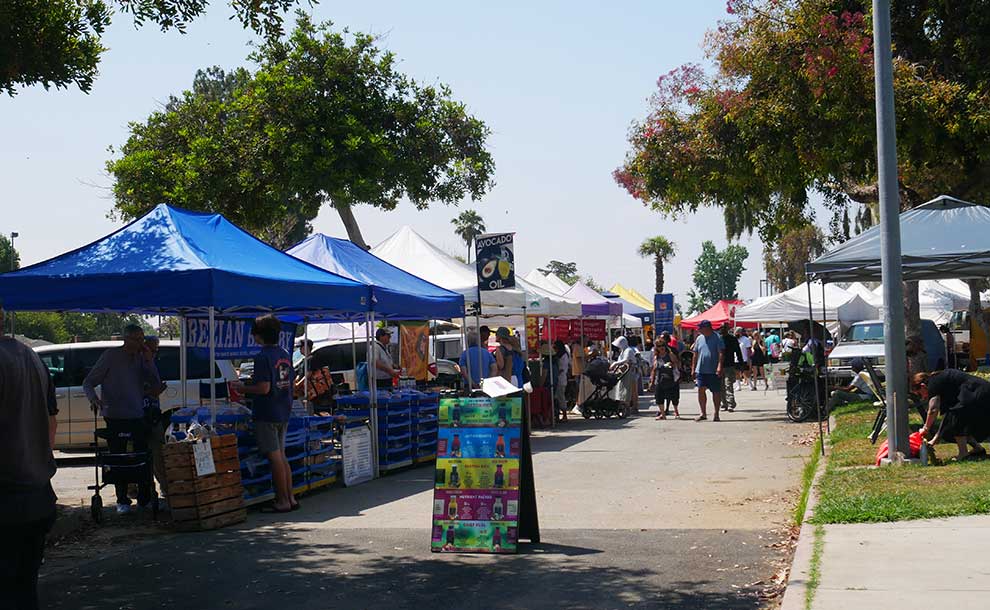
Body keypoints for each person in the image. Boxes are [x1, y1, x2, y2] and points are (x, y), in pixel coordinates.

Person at [0, 304, 58, 610]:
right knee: (24, 590)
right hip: (36, 495)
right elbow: (52, 421)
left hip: (8, 498)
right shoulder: (32, 357)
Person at [83, 323, 160, 514]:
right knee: (118, 457)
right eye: (137, 339)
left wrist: (150, 361)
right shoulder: (111, 356)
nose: (140, 343)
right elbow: (88, 382)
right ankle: (122, 498)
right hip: (115, 415)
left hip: (137, 415)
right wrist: (94, 399)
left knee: (142, 457)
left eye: (142, 339)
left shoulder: (142, 358)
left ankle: (144, 497)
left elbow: (155, 383)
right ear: (126, 339)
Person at [231, 314, 297, 513]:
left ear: (258, 335)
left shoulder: (262, 357)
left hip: (267, 412)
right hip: (283, 409)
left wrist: (241, 389)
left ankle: (282, 501)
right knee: (282, 456)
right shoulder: (284, 353)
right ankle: (291, 498)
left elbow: (264, 388)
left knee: (275, 457)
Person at [913, 369, 990, 460]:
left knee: (956, 419)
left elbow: (933, 409)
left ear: (922, 386)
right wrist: (935, 438)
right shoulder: (942, 384)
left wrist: (926, 428)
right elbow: (947, 417)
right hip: (980, 393)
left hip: (978, 392)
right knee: (951, 425)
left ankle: (963, 453)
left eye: (919, 394)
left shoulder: (933, 383)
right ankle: (978, 448)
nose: (922, 398)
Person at [142, 336, 169, 507]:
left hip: (153, 415)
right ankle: (139, 492)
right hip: (137, 416)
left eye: (156, 349)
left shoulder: (152, 364)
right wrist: (152, 391)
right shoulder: (135, 365)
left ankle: (165, 488)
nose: (155, 352)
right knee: (141, 456)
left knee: (158, 454)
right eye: (152, 349)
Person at [690, 320, 724, 421]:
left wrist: (719, 366)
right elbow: (695, 354)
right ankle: (703, 413)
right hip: (701, 369)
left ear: (707, 327)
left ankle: (716, 413)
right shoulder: (699, 338)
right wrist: (693, 369)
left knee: (716, 392)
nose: (699, 330)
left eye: (700, 328)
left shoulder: (717, 337)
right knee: (701, 390)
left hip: (713, 370)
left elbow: (721, 353)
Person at [651, 342, 681, 419]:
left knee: (674, 397)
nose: (661, 347)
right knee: (659, 397)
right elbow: (654, 369)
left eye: (663, 345)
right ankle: (663, 414)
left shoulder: (670, 355)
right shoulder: (656, 357)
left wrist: (671, 364)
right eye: (659, 346)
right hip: (660, 380)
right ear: (656, 348)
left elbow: (677, 363)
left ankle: (676, 412)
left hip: (671, 378)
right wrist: (652, 381)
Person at [611, 336, 639, 415]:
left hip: (631, 372)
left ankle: (633, 407)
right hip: (626, 372)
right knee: (628, 390)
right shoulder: (623, 351)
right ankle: (631, 407)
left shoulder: (628, 350)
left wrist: (615, 364)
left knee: (631, 390)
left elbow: (626, 360)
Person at [719, 323, 744, 412]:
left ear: (727, 328)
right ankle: (723, 403)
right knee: (720, 386)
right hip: (719, 366)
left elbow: (738, 351)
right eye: (721, 328)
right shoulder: (718, 339)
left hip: (729, 365)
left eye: (723, 328)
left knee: (728, 385)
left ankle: (730, 404)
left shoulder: (732, 339)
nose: (722, 329)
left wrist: (741, 364)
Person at [553, 340, 570, 421]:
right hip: (560, 379)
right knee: (558, 397)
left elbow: (562, 369)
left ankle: (564, 415)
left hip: (561, 379)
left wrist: (555, 372)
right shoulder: (562, 355)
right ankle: (558, 415)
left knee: (561, 397)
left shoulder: (563, 356)